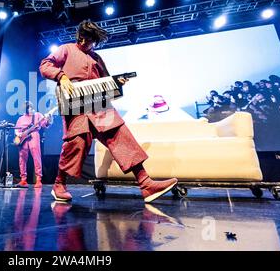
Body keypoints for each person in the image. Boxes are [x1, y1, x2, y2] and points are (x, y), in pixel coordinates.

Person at [39, 20, 177, 203]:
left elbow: (107, 82)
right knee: (76, 144)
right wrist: (61, 76)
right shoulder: (66, 49)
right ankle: (59, 184)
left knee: (121, 134)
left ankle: (146, 184)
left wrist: (118, 84)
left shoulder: (97, 58)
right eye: (90, 41)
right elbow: (45, 65)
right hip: (75, 103)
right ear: (81, 38)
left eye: (94, 42)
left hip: (98, 103)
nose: (92, 45)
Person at [14, 101, 53, 188]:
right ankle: (23, 179)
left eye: (30, 107)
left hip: (34, 135)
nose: (29, 109)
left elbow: (45, 124)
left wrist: (49, 118)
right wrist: (18, 134)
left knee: (36, 157)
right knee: (22, 158)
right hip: (23, 138)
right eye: (27, 108)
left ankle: (38, 179)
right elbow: (16, 129)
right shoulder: (21, 118)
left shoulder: (38, 115)